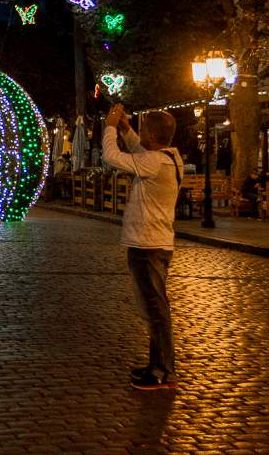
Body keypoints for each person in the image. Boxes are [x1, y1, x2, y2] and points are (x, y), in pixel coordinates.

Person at [102, 105, 183, 390]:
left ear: (151, 133)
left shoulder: (156, 162)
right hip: (152, 242)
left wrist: (111, 127)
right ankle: (157, 366)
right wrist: (126, 129)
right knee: (153, 307)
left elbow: (111, 156)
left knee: (156, 310)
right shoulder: (167, 158)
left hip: (148, 245)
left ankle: (163, 371)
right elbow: (140, 151)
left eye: (142, 127)